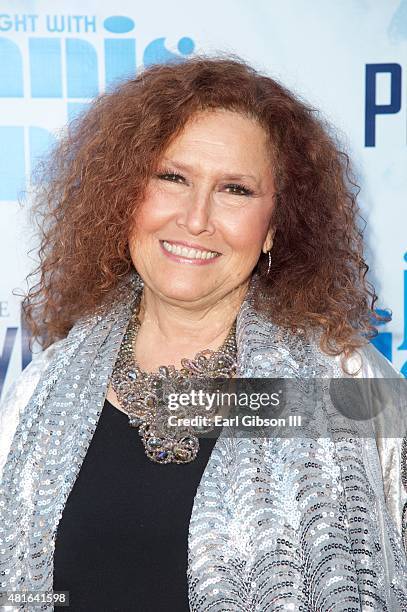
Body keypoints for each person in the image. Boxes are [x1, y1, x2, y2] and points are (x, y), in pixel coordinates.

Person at [0, 55, 406, 611]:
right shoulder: (42, 392)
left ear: (275, 227)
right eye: (172, 178)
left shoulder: (348, 389)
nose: (195, 219)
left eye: (235, 190)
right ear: (124, 197)